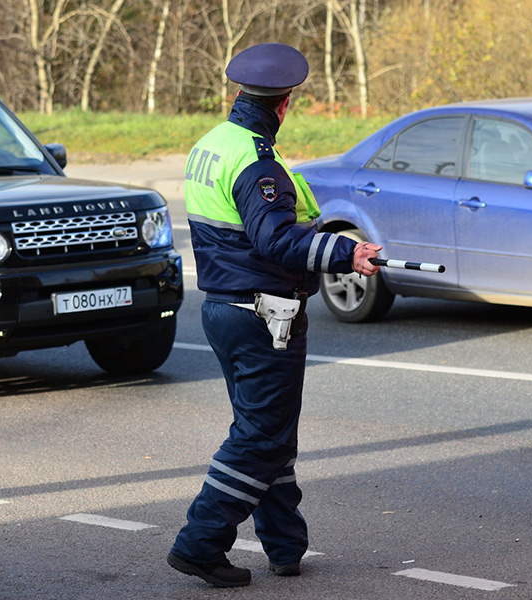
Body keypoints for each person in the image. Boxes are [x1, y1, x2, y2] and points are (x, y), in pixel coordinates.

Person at [166, 42, 381, 588]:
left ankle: (285, 547)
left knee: (268, 433)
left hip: (224, 308)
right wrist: (344, 253)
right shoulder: (258, 161)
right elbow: (276, 240)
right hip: (265, 314)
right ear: (284, 104)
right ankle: (200, 542)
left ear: (240, 94)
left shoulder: (214, 143)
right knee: (262, 439)